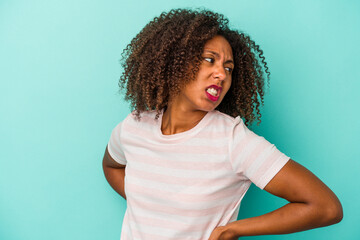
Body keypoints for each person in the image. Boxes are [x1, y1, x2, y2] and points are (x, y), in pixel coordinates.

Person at [102, 8, 343, 240]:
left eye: (228, 68)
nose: (222, 74)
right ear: (173, 61)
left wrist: (231, 230)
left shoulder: (233, 140)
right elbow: (112, 166)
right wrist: (147, 204)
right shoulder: (134, 127)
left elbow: (326, 207)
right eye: (210, 60)